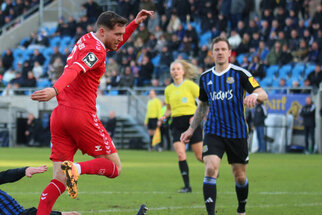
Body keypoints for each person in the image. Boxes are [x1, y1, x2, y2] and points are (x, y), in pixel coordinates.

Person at [31, 10, 154, 215]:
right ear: (104, 31)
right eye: (117, 34)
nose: (120, 39)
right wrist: (54, 89)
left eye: (122, 35)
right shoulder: (98, 52)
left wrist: (133, 24)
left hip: (59, 116)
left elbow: (107, 47)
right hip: (80, 116)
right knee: (114, 168)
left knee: (59, 179)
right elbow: (74, 70)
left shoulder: (87, 38)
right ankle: (76, 169)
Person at [181, 36, 268, 215]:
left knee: (240, 176)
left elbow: (263, 93)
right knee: (211, 167)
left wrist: (255, 96)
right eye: (216, 50)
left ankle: (241, 209)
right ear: (212, 53)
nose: (220, 52)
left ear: (229, 53)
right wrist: (191, 129)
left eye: (223, 49)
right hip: (213, 131)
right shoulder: (205, 78)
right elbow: (203, 105)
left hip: (237, 132)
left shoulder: (241, 74)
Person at [161, 59, 203, 193]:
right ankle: (187, 186)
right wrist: (164, 116)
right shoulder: (168, 90)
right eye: (173, 69)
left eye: (178, 69)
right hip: (177, 124)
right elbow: (169, 109)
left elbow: (204, 102)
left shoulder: (190, 85)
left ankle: (212, 168)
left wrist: (196, 116)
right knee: (180, 154)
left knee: (200, 156)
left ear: (183, 71)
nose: (175, 71)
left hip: (192, 122)